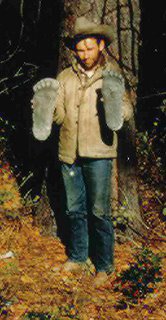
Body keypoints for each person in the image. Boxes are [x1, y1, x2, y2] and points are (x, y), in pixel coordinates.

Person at [32, 16, 133, 287]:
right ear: (74, 50)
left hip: (99, 153)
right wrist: (49, 111)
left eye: (89, 47)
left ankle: (104, 265)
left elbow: (128, 111)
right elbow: (62, 117)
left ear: (101, 45)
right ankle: (77, 258)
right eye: (80, 48)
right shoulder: (64, 77)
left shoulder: (112, 76)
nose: (85, 53)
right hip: (69, 153)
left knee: (99, 211)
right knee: (74, 209)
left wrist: (116, 108)